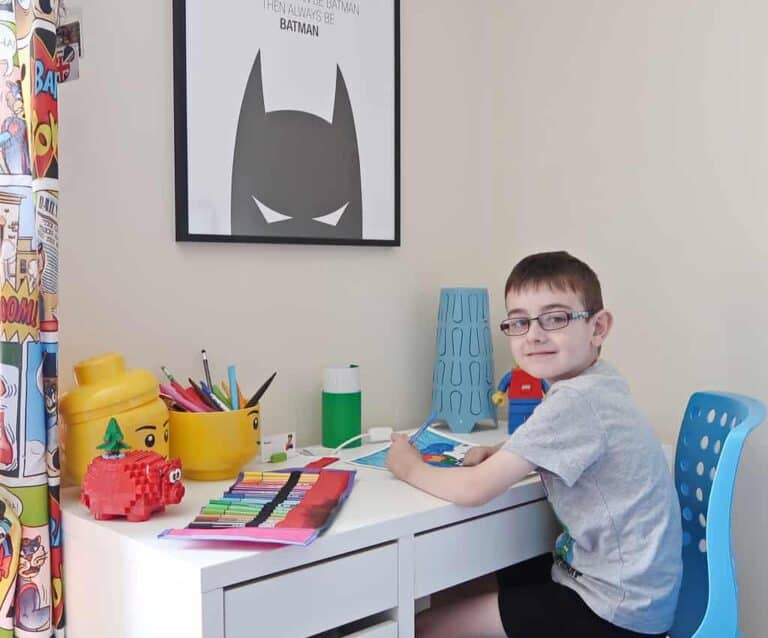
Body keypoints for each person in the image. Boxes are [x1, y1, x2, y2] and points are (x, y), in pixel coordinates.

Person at [387, 251, 682, 638]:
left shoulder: (575, 400)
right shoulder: (599, 383)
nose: (535, 335)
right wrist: (507, 453)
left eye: (556, 318)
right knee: (465, 579)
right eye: (520, 322)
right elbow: (573, 443)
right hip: (634, 594)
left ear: (598, 327)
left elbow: (473, 490)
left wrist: (407, 465)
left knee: (423, 627)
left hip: (611, 610)